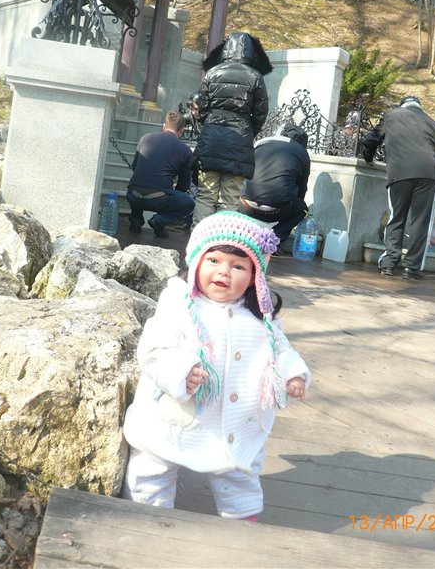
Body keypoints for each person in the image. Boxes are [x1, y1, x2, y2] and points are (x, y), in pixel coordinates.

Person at [122, 211, 311, 520]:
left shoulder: (260, 318)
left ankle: (242, 520)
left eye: (238, 266)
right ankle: (148, 517)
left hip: (236, 423)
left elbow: (280, 349)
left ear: (254, 276)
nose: (224, 272)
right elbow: (154, 349)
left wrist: (293, 375)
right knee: (152, 469)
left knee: (238, 474)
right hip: (174, 417)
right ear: (196, 261)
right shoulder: (178, 303)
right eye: (214, 260)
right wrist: (179, 372)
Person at [362, 95, 435, 280]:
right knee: (421, 221)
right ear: (419, 107)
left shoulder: (391, 116)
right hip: (427, 174)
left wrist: (368, 158)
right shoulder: (432, 123)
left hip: (399, 172)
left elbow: (371, 139)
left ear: (403, 106)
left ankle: (389, 264)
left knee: (396, 217)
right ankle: (412, 268)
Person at [193, 31, 272, 225]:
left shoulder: (212, 73)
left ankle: (198, 234)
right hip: (239, 139)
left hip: (211, 139)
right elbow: (261, 113)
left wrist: (208, 125)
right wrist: (248, 132)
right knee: (230, 197)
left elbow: (202, 107)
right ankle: (222, 237)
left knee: (206, 194)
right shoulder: (255, 76)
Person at [238, 121, 310, 255]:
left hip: (244, 204)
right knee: (303, 209)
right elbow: (302, 188)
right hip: (276, 210)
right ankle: (273, 241)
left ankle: (239, 235)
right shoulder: (302, 153)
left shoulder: (260, 143)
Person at [127, 111, 195, 239]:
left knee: (139, 184)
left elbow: (135, 167)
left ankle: (135, 221)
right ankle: (160, 220)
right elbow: (183, 185)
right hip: (158, 199)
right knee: (189, 203)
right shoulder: (185, 151)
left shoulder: (145, 138)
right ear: (182, 131)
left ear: (164, 126)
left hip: (133, 195)